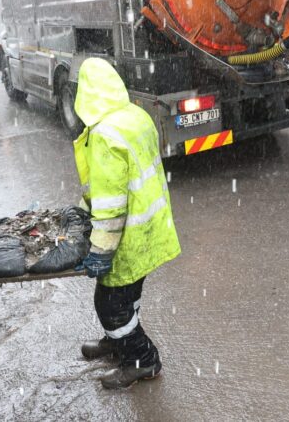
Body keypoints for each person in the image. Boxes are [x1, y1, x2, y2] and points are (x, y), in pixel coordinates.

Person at [73, 58, 181, 389]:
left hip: (126, 239)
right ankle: (118, 342)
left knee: (110, 305)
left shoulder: (105, 133)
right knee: (128, 293)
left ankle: (142, 361)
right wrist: (82, 208)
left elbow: (111, 203)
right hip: (149, 229)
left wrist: (101, 250)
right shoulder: (135, 116)